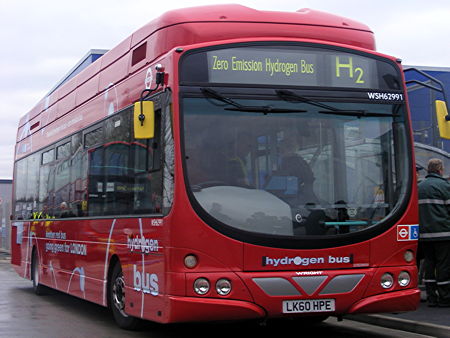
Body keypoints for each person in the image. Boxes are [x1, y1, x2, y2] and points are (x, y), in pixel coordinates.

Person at [418, 158, 450, 307]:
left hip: (424, 235)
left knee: (429, 264)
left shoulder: (420, 187)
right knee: (443, 265)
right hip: (443, 233)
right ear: (439, 170)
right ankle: (445, 297)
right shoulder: (444, 186)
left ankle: (431, 297)